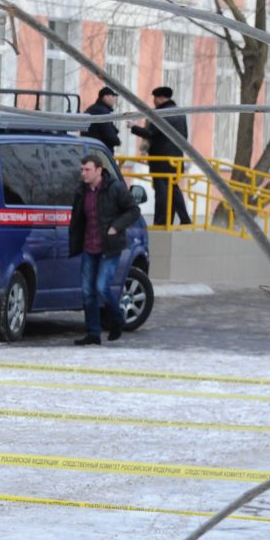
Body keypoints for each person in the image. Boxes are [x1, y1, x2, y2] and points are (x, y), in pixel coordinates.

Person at [68, 153, 142, 346]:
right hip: (88, 246)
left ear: (99, 171)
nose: (83, 173)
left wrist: (116, 226)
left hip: (109, 247)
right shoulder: (81, 191)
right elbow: (78, 219)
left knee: (101, 287)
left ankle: (117, 319)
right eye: (82, 169)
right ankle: (93, 332)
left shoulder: (114, 188)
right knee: (87, 292)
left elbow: (133, 211)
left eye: (87, 170)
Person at [130, 86, 192, 227]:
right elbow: (184, 136)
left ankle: (161, 222)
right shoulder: (180, 113)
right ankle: (183, 218)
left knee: (162, 192)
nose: (153, 101)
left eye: (155, 98)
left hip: (161, 159)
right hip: (176, 159)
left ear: (161, 98)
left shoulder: (160, 113)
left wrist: (133, 127)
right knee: (173, 189)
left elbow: (150, 133)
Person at [83, 87, 122, 153]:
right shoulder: (102, 112)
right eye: (112, 96)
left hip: (89, 148)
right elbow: (108, 133)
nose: (114, 99)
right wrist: (117, 141)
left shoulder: (92, 109)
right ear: (105, 97)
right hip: (100, 151)